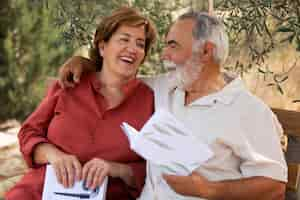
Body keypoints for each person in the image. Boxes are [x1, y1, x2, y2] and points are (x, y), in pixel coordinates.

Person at [57, 11, 287, 200]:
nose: (163, 55)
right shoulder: (167, 87)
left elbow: (274, 187)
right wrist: (84, 63)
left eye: (173, 46)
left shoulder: (248, 110)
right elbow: (116, 74)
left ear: (206, 51)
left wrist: (207, 189)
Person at [5, 7, 157, 200]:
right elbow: (28, 133)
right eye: (124, 39)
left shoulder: (150, 101)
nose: (132, 49)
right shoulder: (70, 83)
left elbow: (155, 167)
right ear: (102, 47)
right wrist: (53, 155)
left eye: (140, 44)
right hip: (40, 191)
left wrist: (117, 169)